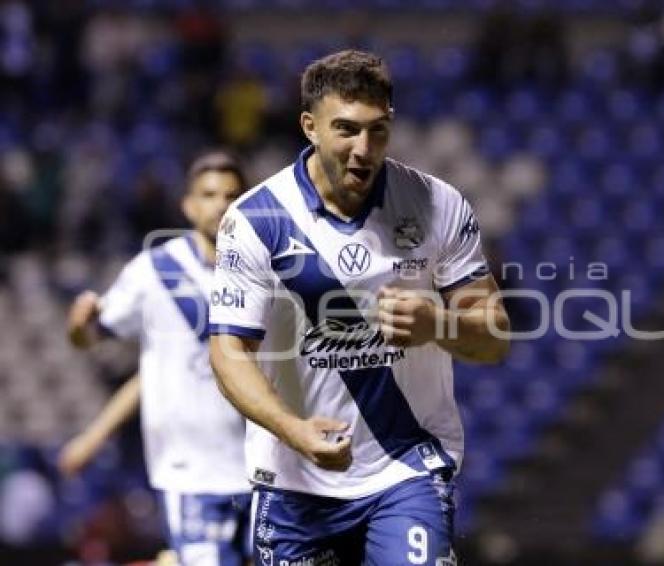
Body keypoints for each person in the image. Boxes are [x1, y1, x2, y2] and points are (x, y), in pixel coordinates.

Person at [209, 50, 510, 565]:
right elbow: (228, 351)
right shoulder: (256, 220)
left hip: (406, 468)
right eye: (345, 129)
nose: (362, 149)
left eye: (378, 130)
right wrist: (294, 429)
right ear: (310, 126)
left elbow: (495, 338)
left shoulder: (438, 204)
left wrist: (437, 323)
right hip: (294, 477)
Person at [64, 150, 253, 566]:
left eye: (232, 195)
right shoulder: (156, 270)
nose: (222, 204)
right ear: (189, 205)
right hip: (192, 472)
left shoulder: (269, 271)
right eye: (209, 194)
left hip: (265, 470)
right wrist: (79, 326)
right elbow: (93, 335)